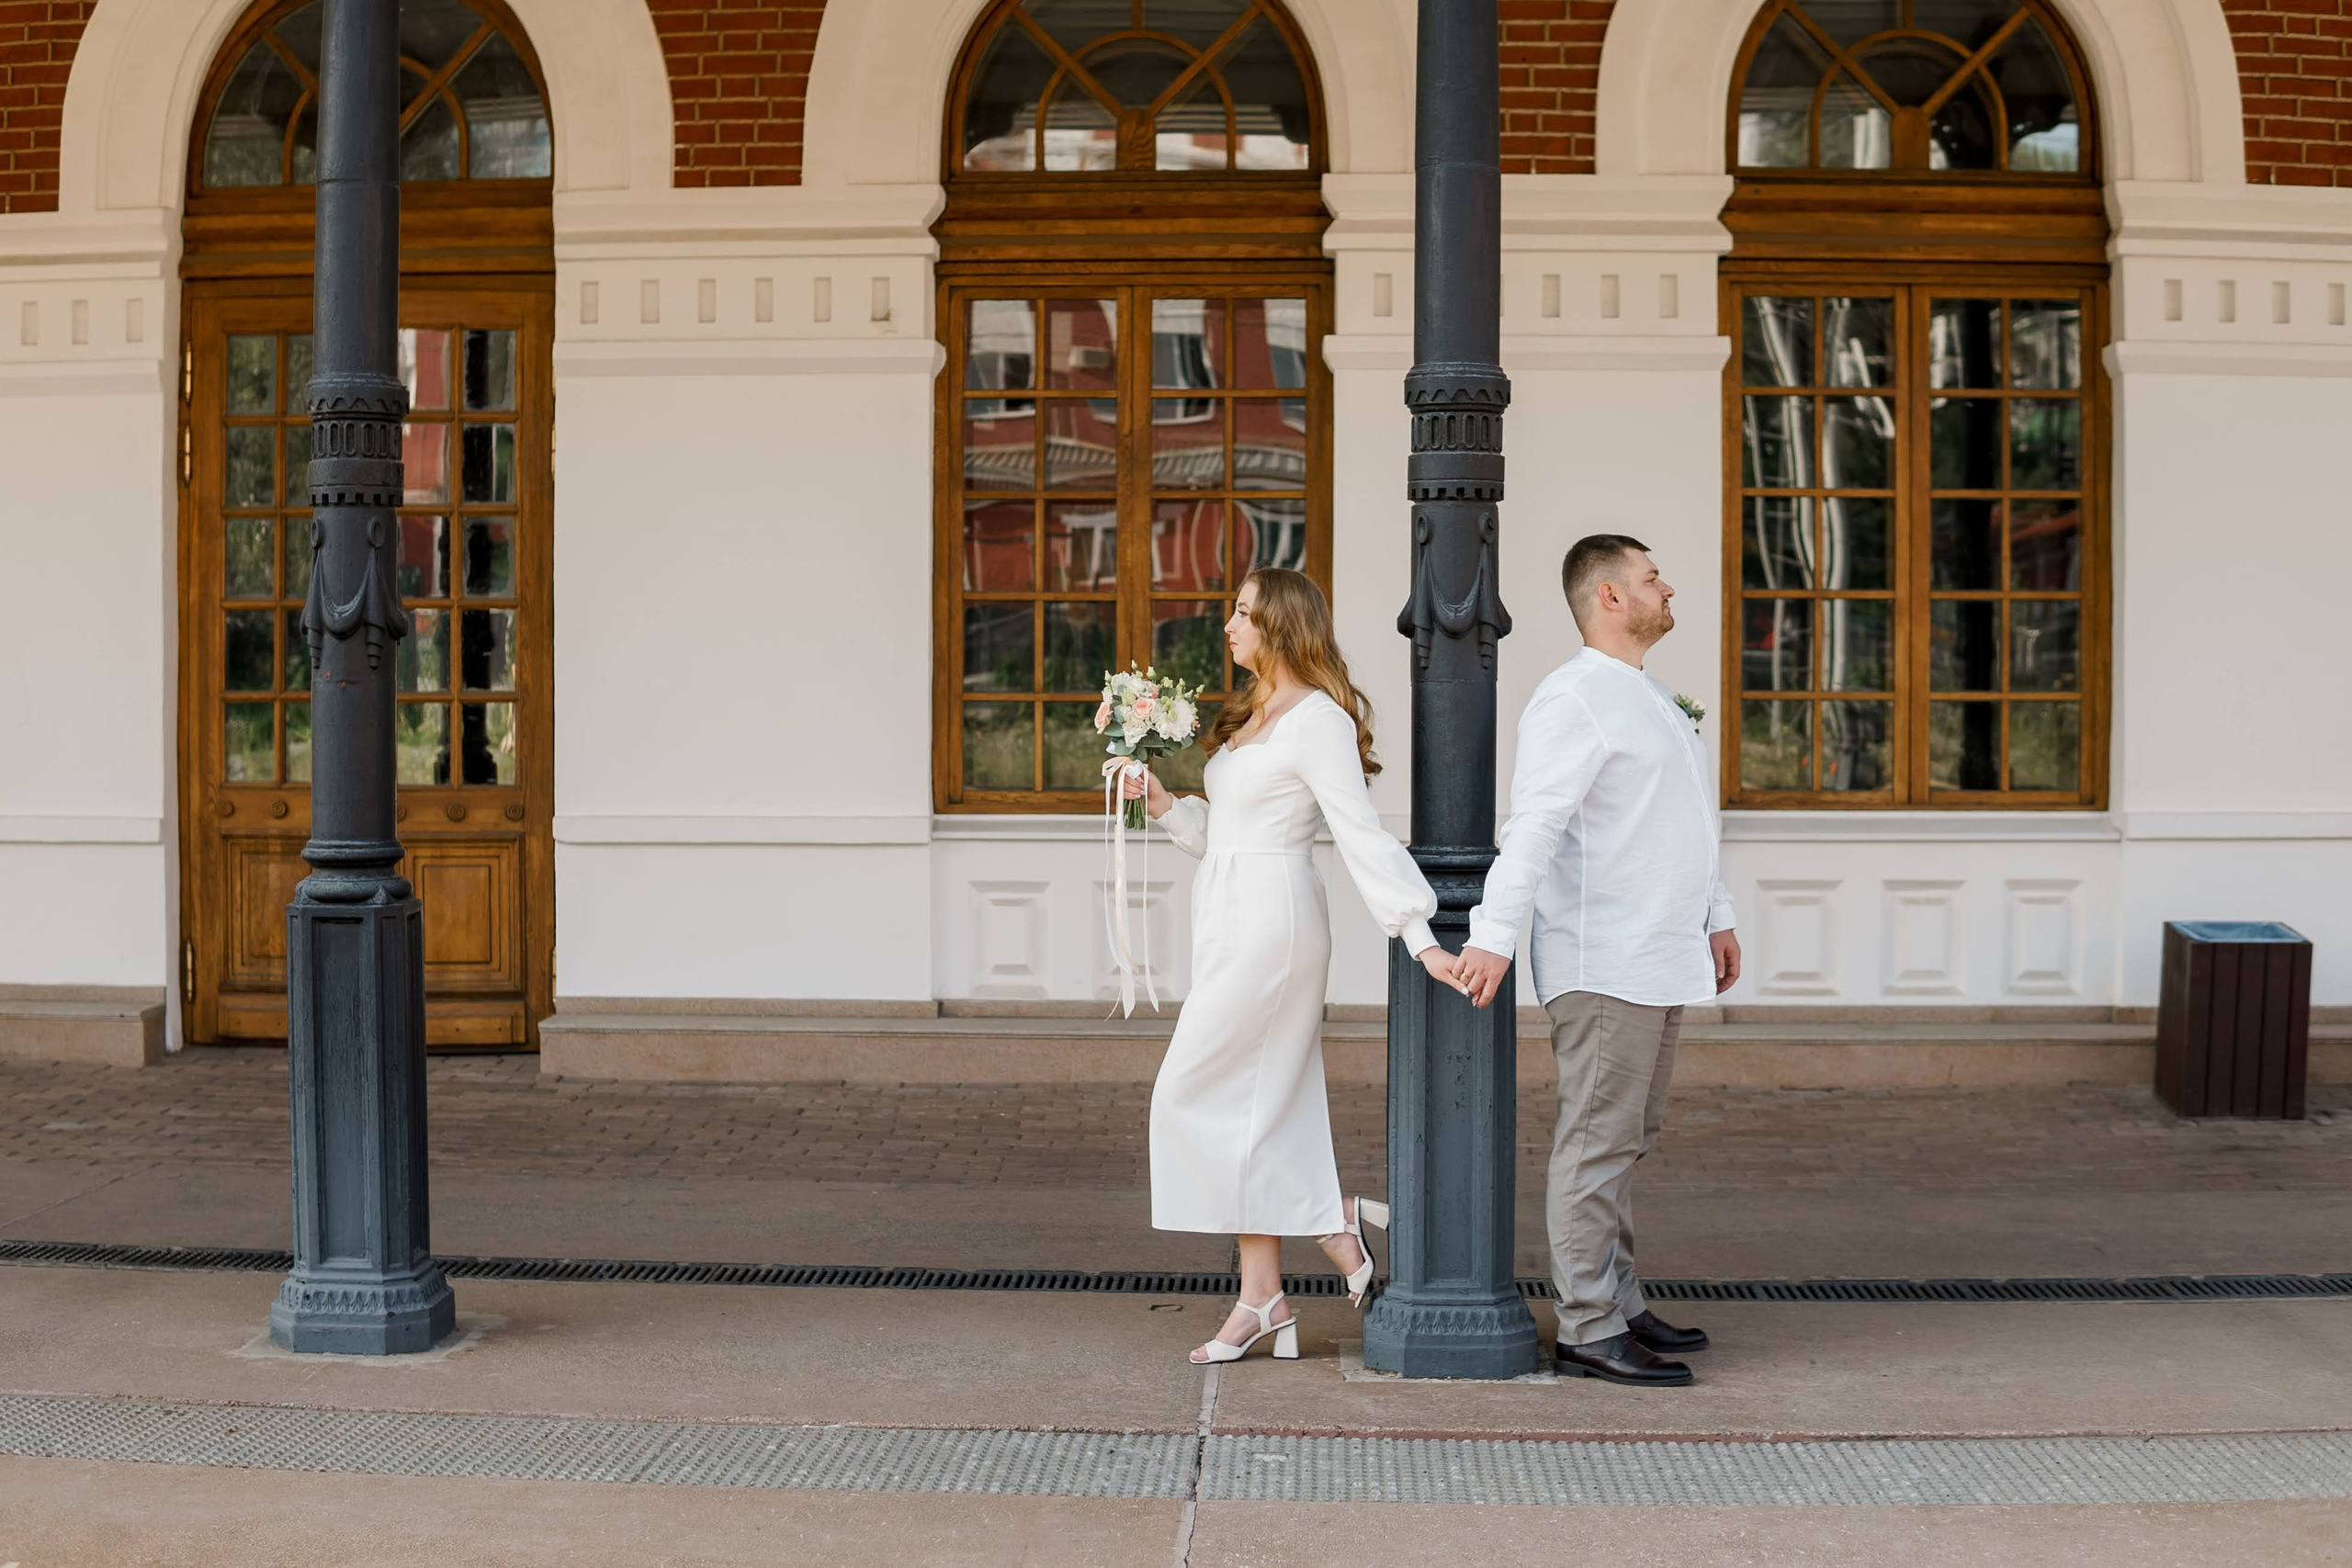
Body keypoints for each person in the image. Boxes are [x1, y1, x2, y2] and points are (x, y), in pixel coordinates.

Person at [1122, 568, 1463, 1367]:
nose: (1229, 624)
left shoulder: (1317, 721)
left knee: (1190, 1093)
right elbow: (1228, 832)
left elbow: (1360, 833)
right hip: (1229, 915)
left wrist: (1420, 936)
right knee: (1255, 1105)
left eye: (1243, 613)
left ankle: (1331, 1220)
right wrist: (1165, 801)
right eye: (1233, 611)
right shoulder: (1249, 712)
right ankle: (1263, 1293)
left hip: (1274, 926)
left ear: (1281, 624)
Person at [1451, 536, 1741, 1388]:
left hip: (1661, 948)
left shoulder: (1649, 699)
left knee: (1629, 1138)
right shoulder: (1573, 699)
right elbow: (1534, 825)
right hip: (1605, 954)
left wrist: (1717, 916)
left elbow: (1687, 821)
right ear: (1610, 597)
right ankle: (1586, 1325)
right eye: (1654, 577)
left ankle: (1619, 1298)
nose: (1668, 585)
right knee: (1596, 1142)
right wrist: (1494, 934)